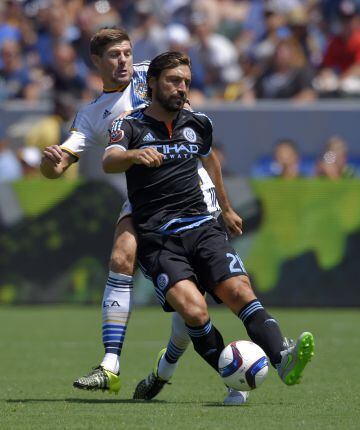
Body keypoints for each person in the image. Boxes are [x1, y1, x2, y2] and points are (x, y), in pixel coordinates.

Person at [40, 28, 245, 405]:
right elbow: (60, 164)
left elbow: (202, 138)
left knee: (192, 302)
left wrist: (227, 206)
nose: (123, 61)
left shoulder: (153, 73)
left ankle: (166, 368)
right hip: (146, 199)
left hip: (190, 195)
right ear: (97, 62)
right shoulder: (90, 116)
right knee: (123, 257)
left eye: (127, 53)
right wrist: (49, 163)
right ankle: (111, 365)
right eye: (114, 55)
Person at [102, 51, 315, 403]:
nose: (181, 87)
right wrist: (133, 155)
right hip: (159, 239)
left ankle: (282, 359)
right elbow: (109, 159)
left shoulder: (198, 122)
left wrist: (227, 208)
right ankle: (231, 373)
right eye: (173, 80)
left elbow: (209, 157)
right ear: (152, 83)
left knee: (240, 292)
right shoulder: (130, 125)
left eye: (186, 81)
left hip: (203, 228)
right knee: (194, 312)